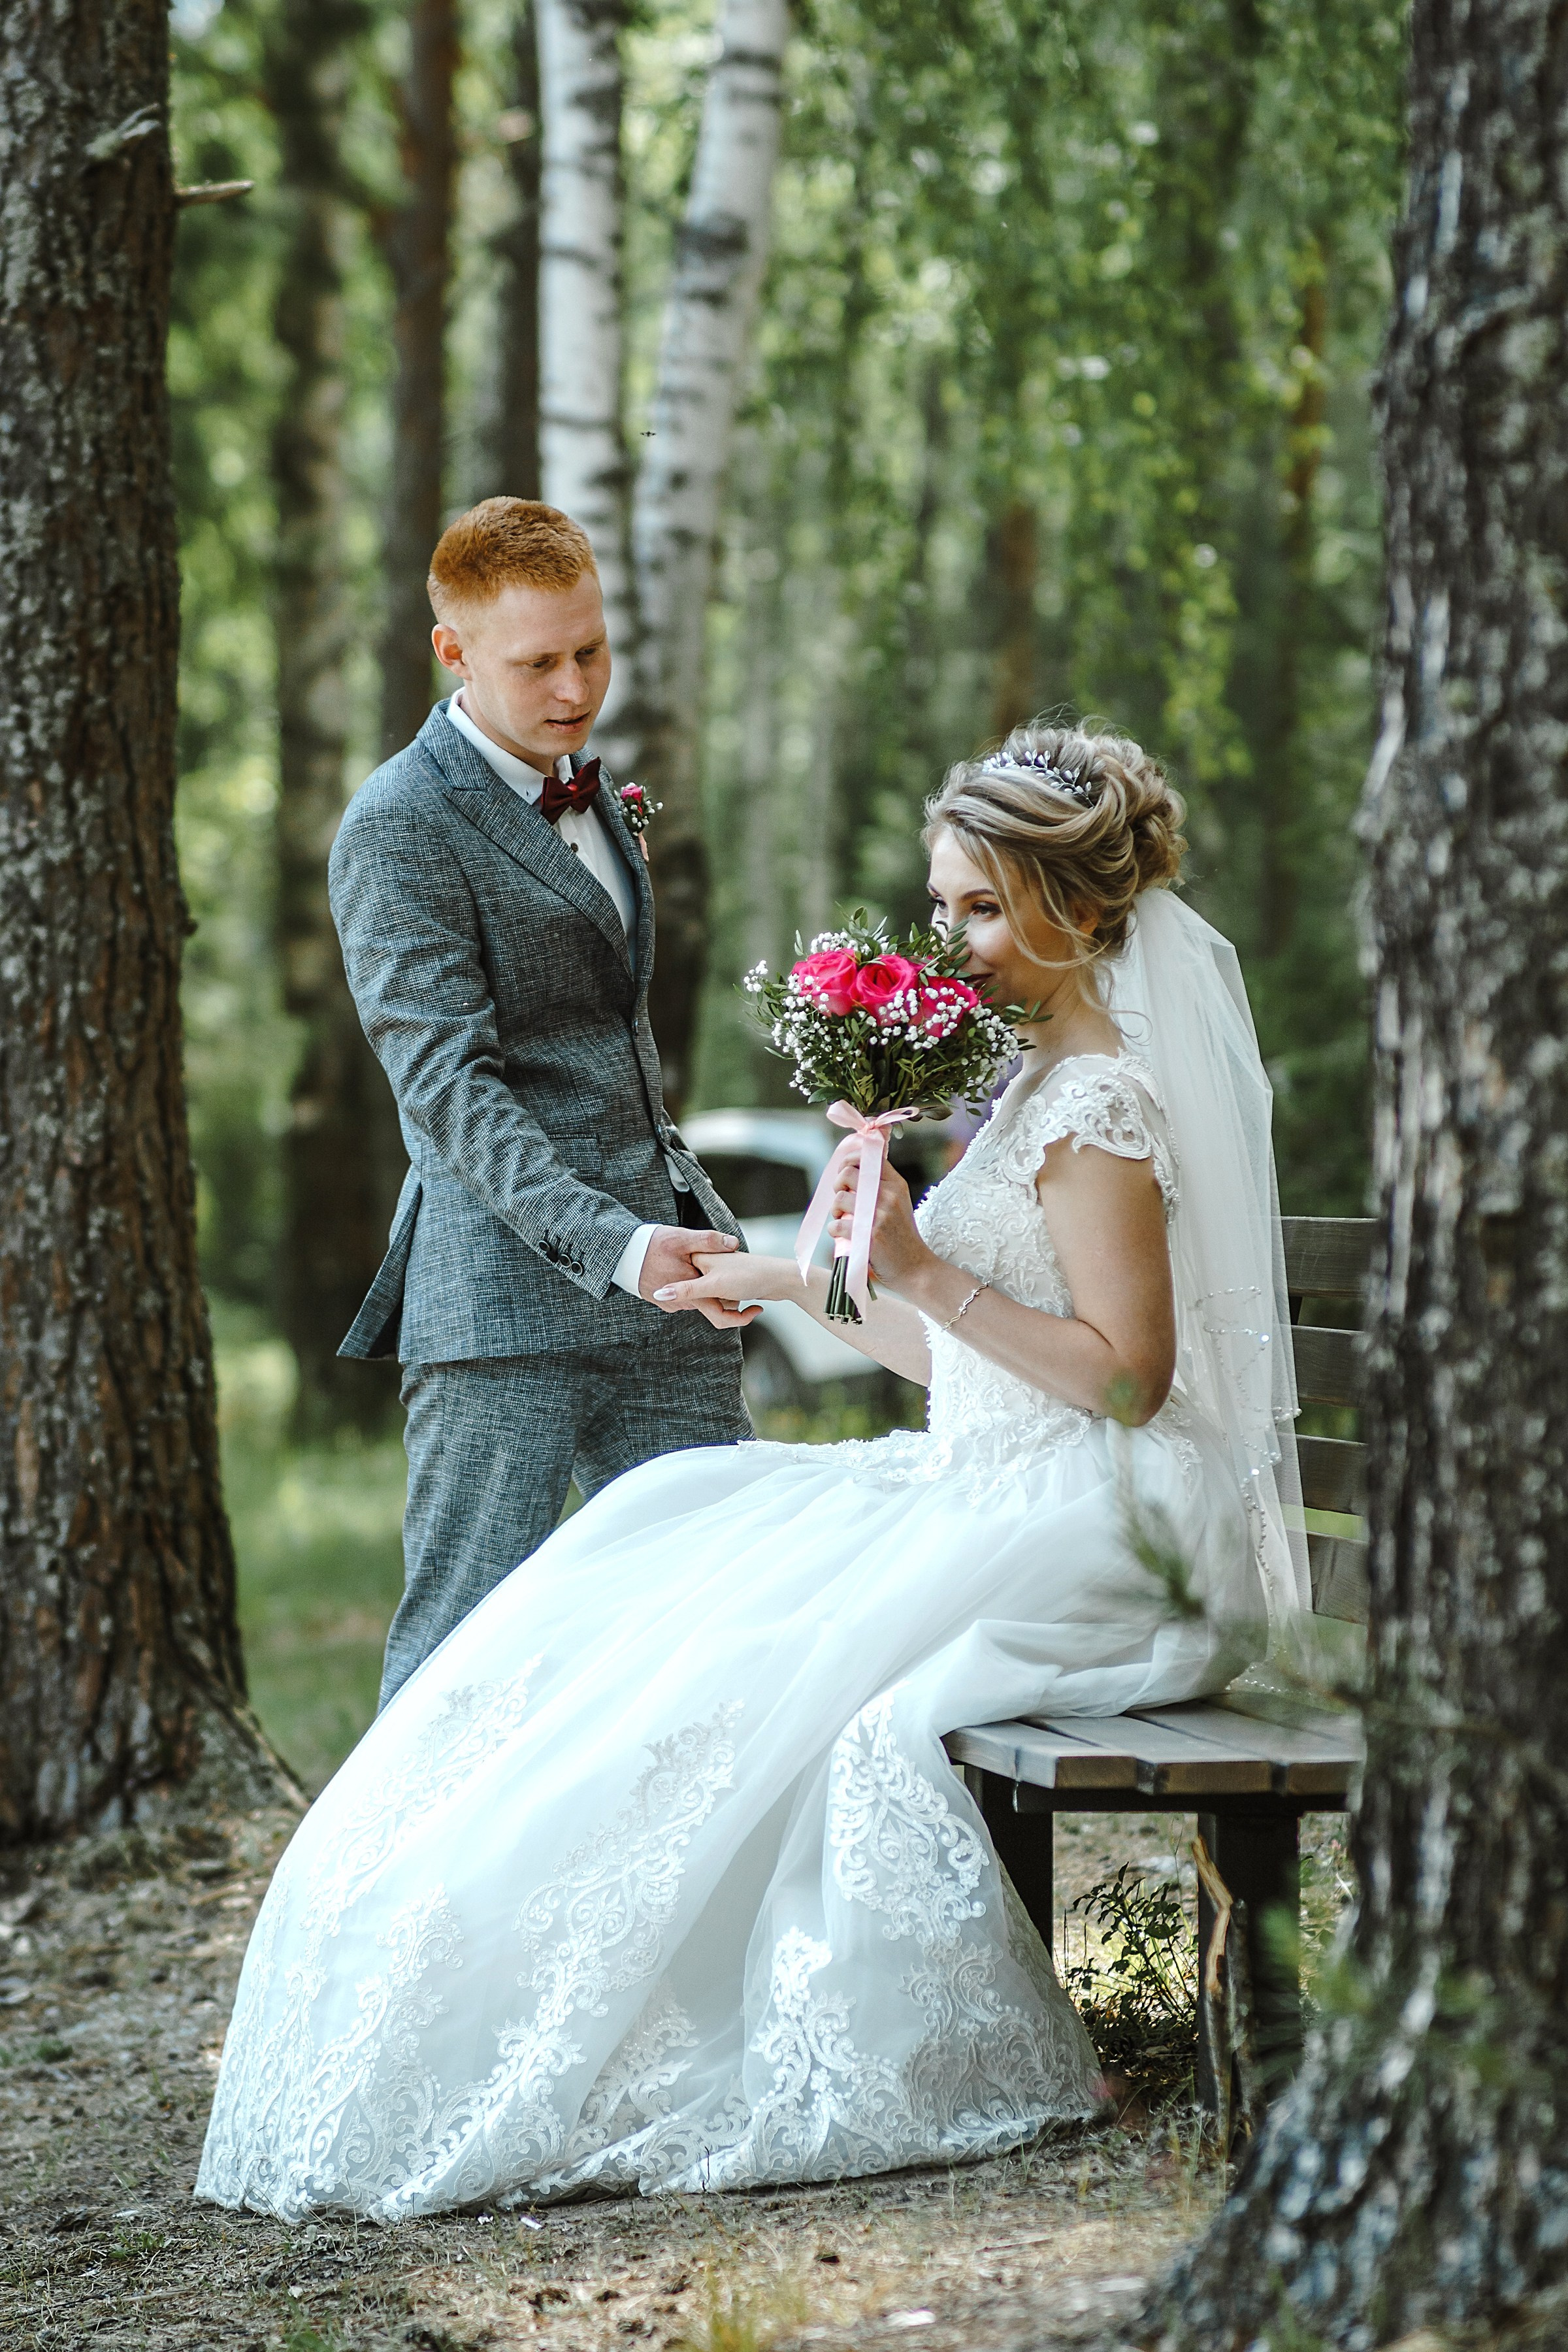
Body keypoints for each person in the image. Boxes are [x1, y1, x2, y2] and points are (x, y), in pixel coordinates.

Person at [198, 722, 1306, 2222]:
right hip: (998, 1473)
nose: (951, 940)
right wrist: (795, 1283)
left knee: (789, 1666)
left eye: (983, 907)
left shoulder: (1101, 1102)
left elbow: (1125, 1378)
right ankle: (473, 1946)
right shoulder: (1034, 1076)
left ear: (1084, 907)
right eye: (943, 906)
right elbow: (968, 1365)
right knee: (672, 1524)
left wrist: (916, 1260)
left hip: (1107, 1520)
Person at [327, 498, 755, 1708]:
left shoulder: (596, 793)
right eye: (538, 663)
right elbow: (448, 1094)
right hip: (506, 1304)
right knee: (461, 1659)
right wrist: (611, 1245)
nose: (575, 687)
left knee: (712, 1625)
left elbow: (612, 1037)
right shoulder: (398, 826)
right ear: (452, 651)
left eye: (592, 649)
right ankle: (396, 1900)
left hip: (673, 1284)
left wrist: (666, 1230)